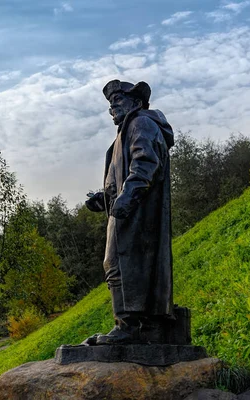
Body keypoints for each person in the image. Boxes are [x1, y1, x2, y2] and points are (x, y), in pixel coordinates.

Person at [85, 80, 175, 345]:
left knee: (121, 267)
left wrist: (126, 199)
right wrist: (104, 199)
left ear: (136, 103)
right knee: (119, 267)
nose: (112, 107)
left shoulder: (141, 124)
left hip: (137, 213)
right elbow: (123, 178)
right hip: (125, 211)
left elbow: (145, 164)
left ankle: (130, 327)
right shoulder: (123, 134)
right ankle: (129, 325)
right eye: (110, 104)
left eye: (118, 101)